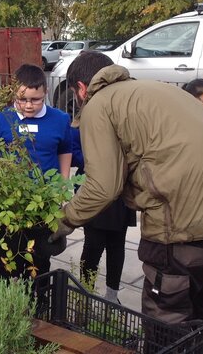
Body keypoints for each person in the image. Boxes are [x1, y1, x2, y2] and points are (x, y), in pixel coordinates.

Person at [49, 50, 203, 354]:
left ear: (81, 88)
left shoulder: (99, 104)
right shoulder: (154, 89)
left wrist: (60, 222)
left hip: (184, 222)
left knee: (166, 318)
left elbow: (102, 186)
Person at [0, 63, 72, 280]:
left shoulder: (60, 119)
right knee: (8, 258)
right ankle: (10, 304)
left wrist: (63, 184)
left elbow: (65, 151)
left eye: (35, 99)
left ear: (45, 93)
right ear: (14, 93)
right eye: (22, 99)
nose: (28, 105)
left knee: (40, 259)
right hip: (9, 202)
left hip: (45, 201)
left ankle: (37, 305)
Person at [72, 124, 136, 303]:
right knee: (93, 245)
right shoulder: (85, 125)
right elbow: (74, 151)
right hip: (94, 191)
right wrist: (101, 160)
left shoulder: (125, 124)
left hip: (121, 192)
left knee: (117, 246)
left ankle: (112, 295)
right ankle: (85, 293)